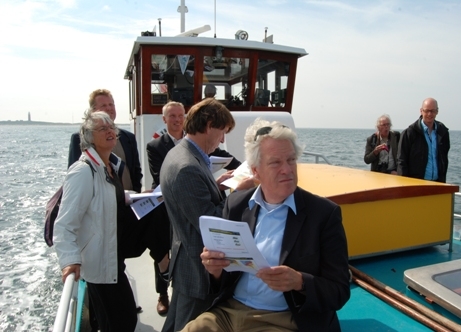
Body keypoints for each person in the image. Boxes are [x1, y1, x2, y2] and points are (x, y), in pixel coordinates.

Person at [182, 118, 351, 332]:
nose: (287, 170)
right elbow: (223, 278)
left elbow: (340, 291)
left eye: (291, 160)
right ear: (255, 171)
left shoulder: (324, 214)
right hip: (229, 312)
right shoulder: (235, 205)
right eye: (275, 162)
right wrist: (214, 269)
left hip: (285, 319)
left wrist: (299, 281)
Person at [54, 111, 169, 331]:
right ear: (89, 137)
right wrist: (70, 261)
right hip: (100, 263)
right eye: (102, 128)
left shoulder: (109, 166)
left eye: (111, 127)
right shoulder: (83, 171)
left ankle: (163, 261)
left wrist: (136, 196)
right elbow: (65, 224)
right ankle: (164, 265)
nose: (110, 131)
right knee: (120, 322)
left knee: (158, 208)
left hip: (115, 249)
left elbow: (109, 197)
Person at [159, 99, 252, 332]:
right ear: (209, 125)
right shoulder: (187, 167)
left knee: (174, 324)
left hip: (185, 260)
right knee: (188, 325)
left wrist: (217, 186)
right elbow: (209, 222)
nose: (222, 139)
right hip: (196, 269)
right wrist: (238, 192)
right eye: (222, 132)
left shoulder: (181, 153)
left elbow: (193, 201)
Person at [147, 101, 241, 188]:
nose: (177, 119)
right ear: (164, 119)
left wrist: (244, 170)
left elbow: (224, 157)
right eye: (172, 116)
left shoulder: (199, 140)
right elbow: (161, 180)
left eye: (180, 116)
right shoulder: (155, 146)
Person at [68, 89, 142, 193]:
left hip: (129, 202)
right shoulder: (79, 139)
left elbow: (136, 172)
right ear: (93, 111)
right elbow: (75, 175)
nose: (109, 108)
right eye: (104, 105)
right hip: (99, 204)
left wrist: (136, 196)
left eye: (111, 105)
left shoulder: (129, 138)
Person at [397, 97, 450, 182]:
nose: (429, 114)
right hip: (416, 184)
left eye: (432, 111)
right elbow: (401, 161)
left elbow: (444, 159)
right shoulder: (409, 133)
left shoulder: (443, 132)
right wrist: (404, 186)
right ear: (421, 111)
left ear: (437, 111)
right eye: (427, 111)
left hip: (438, 183)